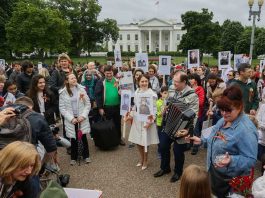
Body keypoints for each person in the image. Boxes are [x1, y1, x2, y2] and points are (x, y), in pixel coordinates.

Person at [188, 86, 258, 197]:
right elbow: (215, 139)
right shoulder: (224, 120)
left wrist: (231, 160)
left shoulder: (246, 130)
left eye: (228, 110)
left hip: (230, 182)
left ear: (239, 107)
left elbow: (250, 160)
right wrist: (202, 141)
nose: (224, 113)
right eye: (221, 109)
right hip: (216, 173)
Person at [154, 71, 199, 183]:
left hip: (183, 128)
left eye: (176, 82)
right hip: (169, 125)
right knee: (163, 146)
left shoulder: (193, 95)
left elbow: (195, 115)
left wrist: (188, 130)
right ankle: (165, 168)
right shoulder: (172, 90)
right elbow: (169, 104)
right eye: (173, 81)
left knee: (178, 151)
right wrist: (165, 109)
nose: (174, 84)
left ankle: (178, 172)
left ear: (184, 82)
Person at [127, 74, 159, 170]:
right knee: (137, 140)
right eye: (142, 81)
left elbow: (154, 109)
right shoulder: (136, 92)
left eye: (146, 81)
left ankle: (146, 160)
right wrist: (130, 116)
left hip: (147, 121)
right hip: (137, 120)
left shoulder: (152, 94)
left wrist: (151, 121)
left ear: (148, 82)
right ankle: (141, 158)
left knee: (145, 141)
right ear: (138, 82)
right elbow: (135, 106)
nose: (144, 83)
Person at [59, 73, 91, 165]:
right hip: (71, 119)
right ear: (67, 81)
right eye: (72, 78)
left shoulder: (81, 89)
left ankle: (86, 156)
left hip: (81, 117)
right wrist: (71, 118)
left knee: (83, 136)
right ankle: (74, 157)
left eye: (75, 78)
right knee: (73, 138)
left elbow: (87, 104)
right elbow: (62, 108)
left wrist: (83, 116)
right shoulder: (63, 92)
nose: (74, 79)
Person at [95, 65, 125, 145]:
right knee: (109, 125)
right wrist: (100, 108)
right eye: (107, 73)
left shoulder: (117, 80)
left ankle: (119, 139)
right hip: (106, 107)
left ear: (113, 72)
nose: (109, 75)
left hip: (117, 106)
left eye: (110, 73)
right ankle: (110, 140)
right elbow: (98, 96)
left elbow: (123, 92)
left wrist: (121, 93)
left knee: (117, 123)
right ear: (104, 73)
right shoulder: (101, 82)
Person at [189, 73, 205, 155]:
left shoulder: (200, 89)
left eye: (191, 78)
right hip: (188, 112)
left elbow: (201, 102)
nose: (190, 80)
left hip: (197, 112)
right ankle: (190, 143)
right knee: (189, 128)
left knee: (196, 129)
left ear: (196, 80)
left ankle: (196, 145)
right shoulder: (188, 89)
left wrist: (191, 102)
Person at [156, 86, 169, 159]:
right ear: (161, 93)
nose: (166, 95)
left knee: (165, 138)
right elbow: (157, 114)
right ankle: (159, 151)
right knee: (159, 138)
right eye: (164, 93)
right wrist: (163, 110)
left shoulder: (168, 102)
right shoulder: (157, 102)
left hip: (167, 123)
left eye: (167, 93)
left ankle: (165, 149)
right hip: (160, 123)